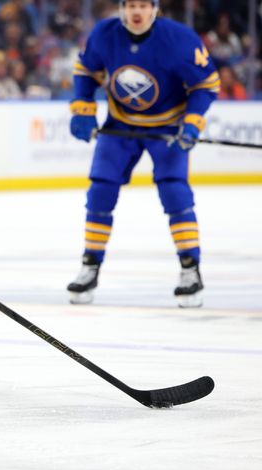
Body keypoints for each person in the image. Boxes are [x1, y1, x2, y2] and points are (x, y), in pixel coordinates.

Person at [67, 0, 220, 308]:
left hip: (167, 128)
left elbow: (207, 84)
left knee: (175, 191)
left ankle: (191, 269)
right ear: (122, 8)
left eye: (143, 5)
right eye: (131, 5)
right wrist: (82, 106)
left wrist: (192, 121)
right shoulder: (105, 33)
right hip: (121, 126)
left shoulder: (178, 39)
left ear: (155, 8)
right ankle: (90, 265)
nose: (137, 12)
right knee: (100, 191)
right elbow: (86, 70)